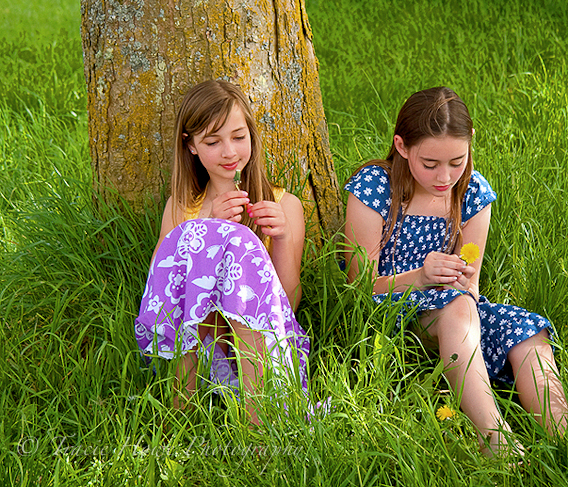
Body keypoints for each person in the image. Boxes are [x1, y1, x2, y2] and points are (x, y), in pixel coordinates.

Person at [344, 86, 567, 457]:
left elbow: (471, 286)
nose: (444, 176)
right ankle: (495, 440)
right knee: (458, 307)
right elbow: (358, 284)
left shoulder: (473, 194)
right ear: (401, 146)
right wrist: (420, 276)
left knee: (527, 333)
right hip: (390, 310)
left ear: (470, 143)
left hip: (456, 310)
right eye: (429, 164)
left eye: (456, 161)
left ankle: (560, 435)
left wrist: (459, 283)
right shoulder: (375, 187)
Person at [135, 79, 308, 424]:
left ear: (252, 136)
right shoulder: (181, 206)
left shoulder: (283, 204)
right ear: (192, 147)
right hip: (198, 342)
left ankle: (259, 427)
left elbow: (287, 303)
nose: (230, 152)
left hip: (259, 343)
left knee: (242, 243)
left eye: (238, 137)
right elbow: (162, 290)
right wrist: (205, 228)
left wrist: (283, 237)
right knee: (210, 238)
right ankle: (178, 422)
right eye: (213, 142)